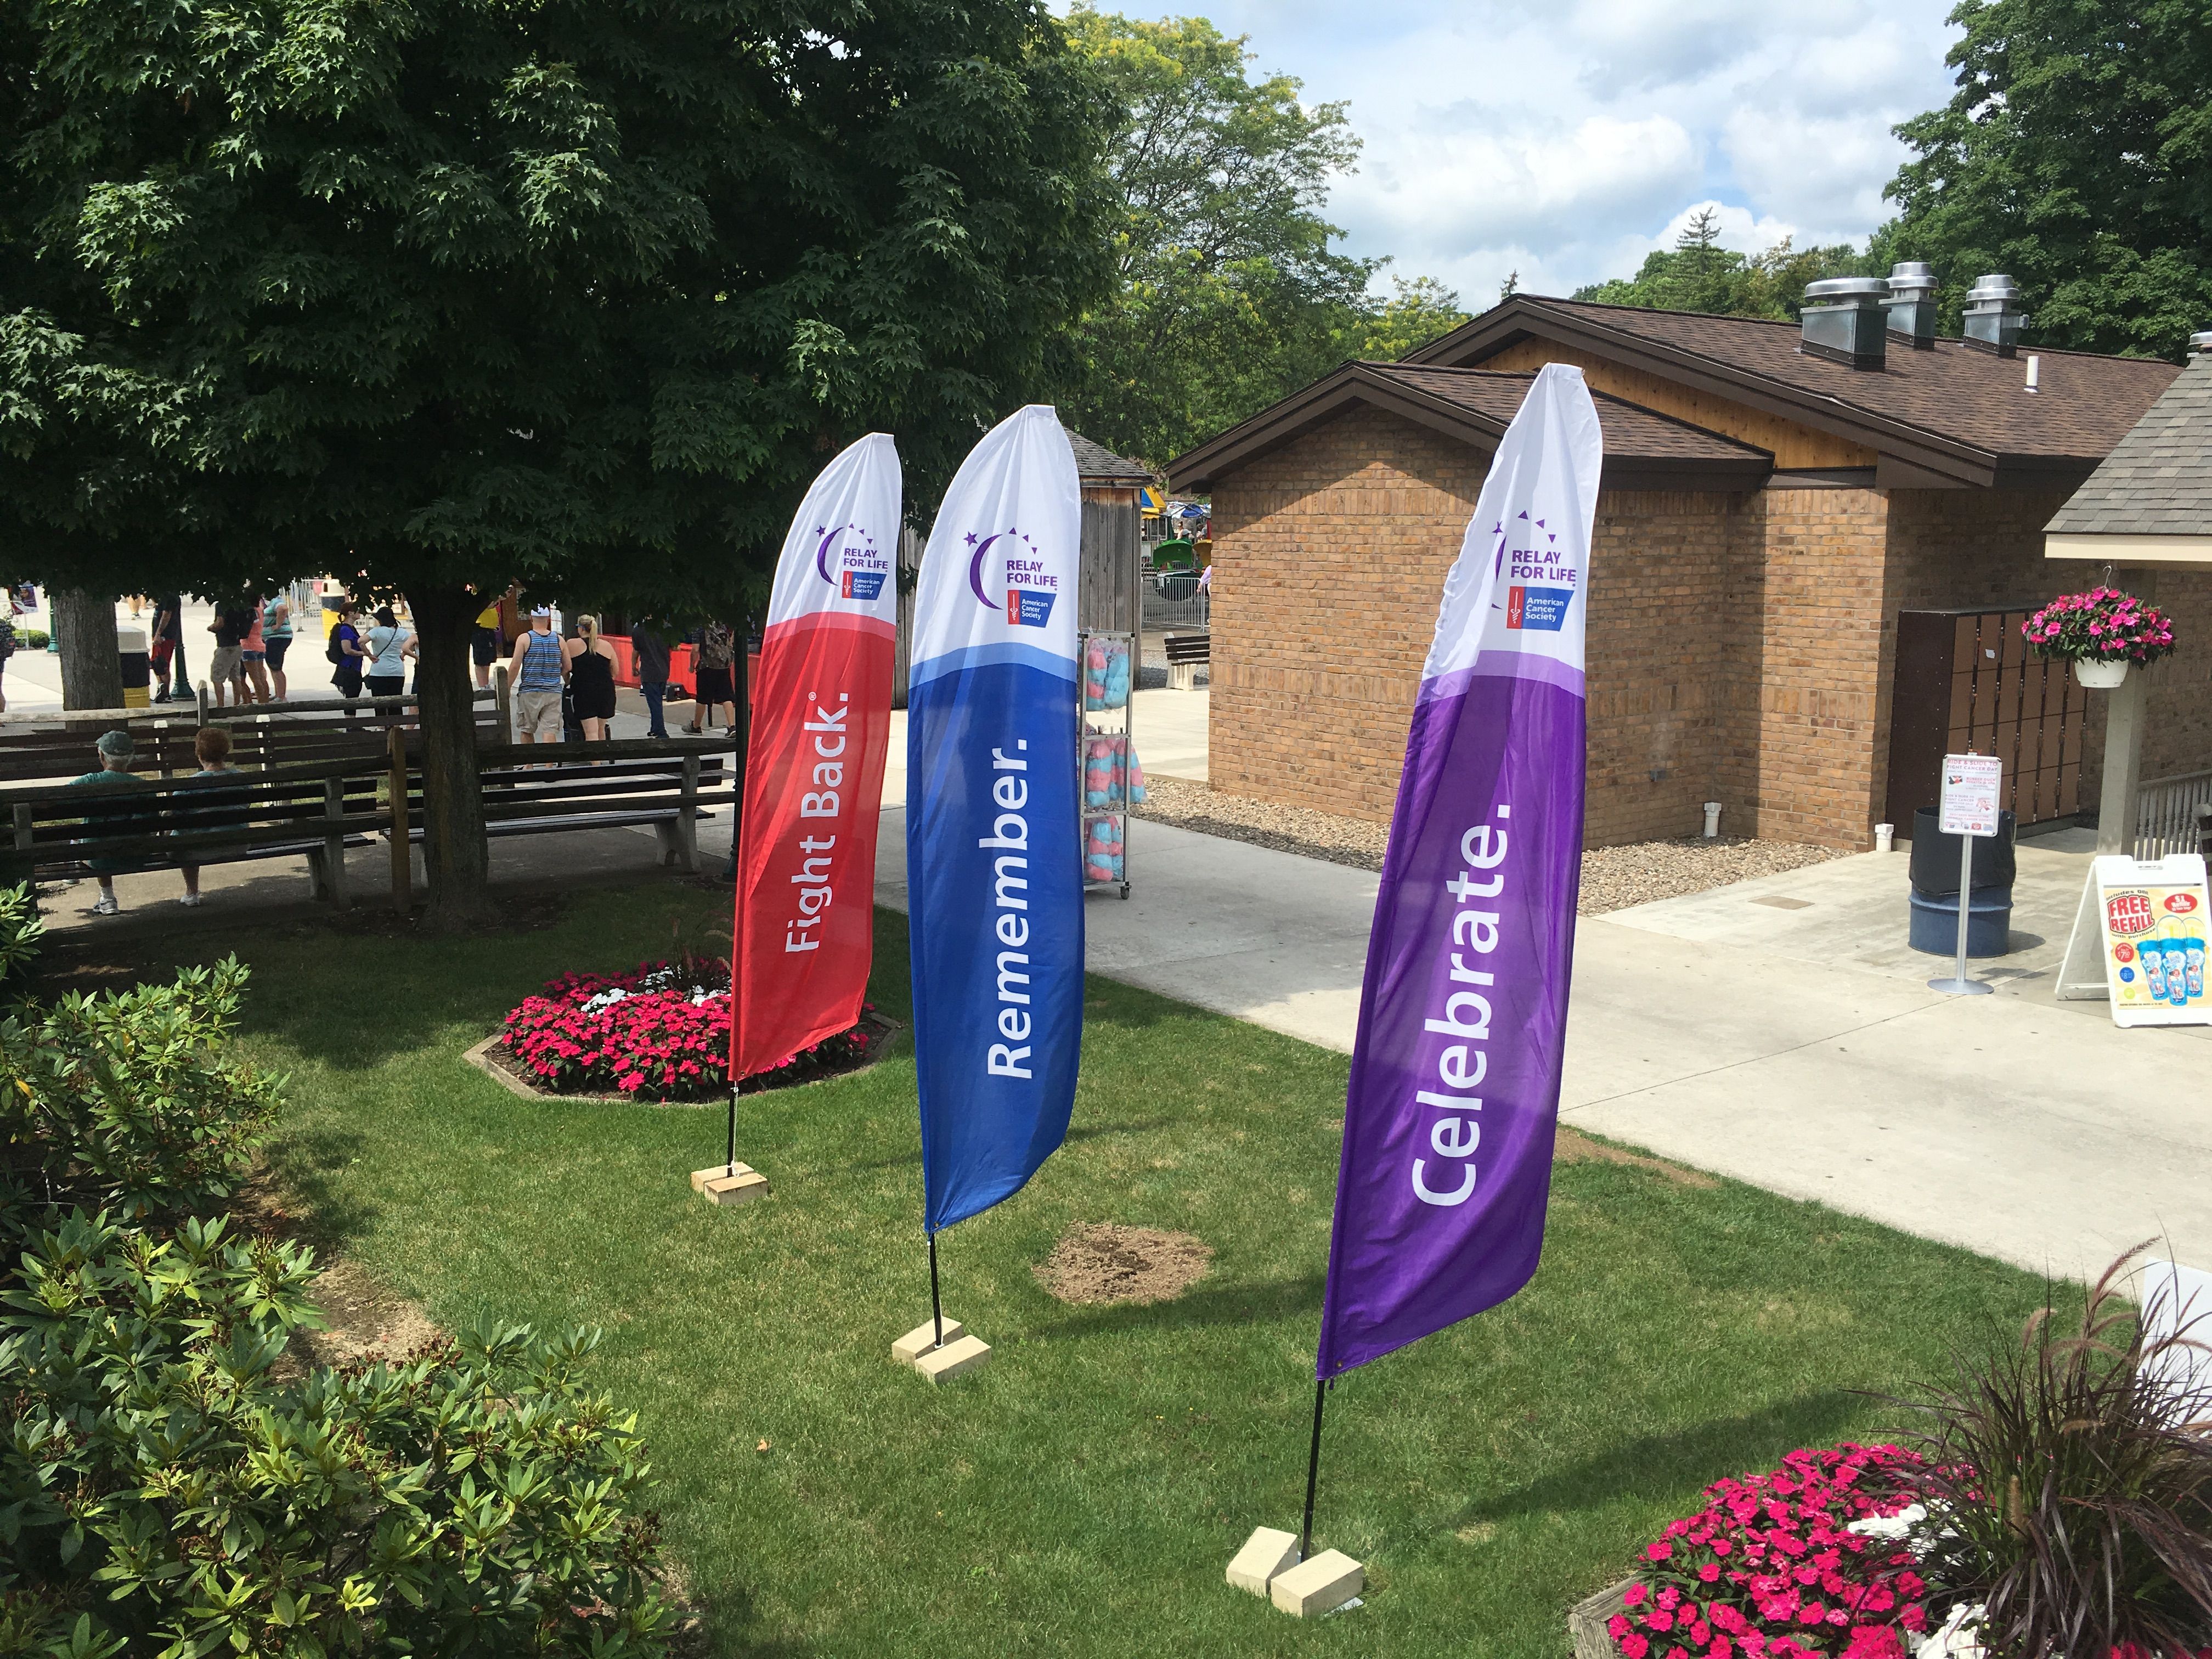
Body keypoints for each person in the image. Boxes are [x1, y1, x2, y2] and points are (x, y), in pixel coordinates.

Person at [67, 731, 150, 916]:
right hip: (138, 854)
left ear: (102, 756)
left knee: (86, 839)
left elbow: (56, 799)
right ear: (131, 758)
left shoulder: (89, 782)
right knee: (103, 840)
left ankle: (107, 898)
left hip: (100, 857)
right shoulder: (143, 786)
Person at [175, 726, 247, 909]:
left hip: (199, 849)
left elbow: (176, 815)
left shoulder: (188, 786)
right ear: (226, 752)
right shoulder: (243, 779)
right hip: (238, 843)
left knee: (182, 835)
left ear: (198, 754)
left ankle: (192, 892)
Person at [507, 606, 566, 743]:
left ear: (531, 618)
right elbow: (568, 666)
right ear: (549, 619)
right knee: (549, 730)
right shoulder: (559, 640)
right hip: (553, 691)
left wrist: (507, 687)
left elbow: (515, 665)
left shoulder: (524, 639)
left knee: (527, 729)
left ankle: (529, 764)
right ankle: (548, 764)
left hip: (530, 690)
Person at [563, 614, 619, 741]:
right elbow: (615, 671)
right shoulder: (606, 645)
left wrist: (568, 681)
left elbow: (566, 667)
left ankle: (595, 760)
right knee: (601, 729)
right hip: (606, 690)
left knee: (590, 732)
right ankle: (601, 757)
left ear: (581, 628)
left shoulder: (572, 644)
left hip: (584, 691)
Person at [687, 620, 736, 735]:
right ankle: (732, 726)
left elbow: (695, 650)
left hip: (707, 666)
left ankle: (696, 726)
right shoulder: (722, 624)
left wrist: (691, 666)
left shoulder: (699, 626)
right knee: (727, 696)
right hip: (723, 666)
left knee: (702, 698)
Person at [208, 601, 252, 708]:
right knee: (235, 677)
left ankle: (220, 706)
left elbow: (220, 623)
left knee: (217, 677)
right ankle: (236, 704)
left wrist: (211, 628)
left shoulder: (222, 605)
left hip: (225, 646)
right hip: (237, 644)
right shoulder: (240, 604)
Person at [632, 619, 672, 739]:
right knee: (658, 700)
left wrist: (633, 666)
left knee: (655, 703)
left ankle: (661, 731)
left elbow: (636, 651)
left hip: (649, 671)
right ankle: (655, 728)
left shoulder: (639, 629)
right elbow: (675, 646)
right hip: (664, 669)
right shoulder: (666, 627)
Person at [363, 605, 411, 701]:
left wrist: (369, 655)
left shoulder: (376, 631)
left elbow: (361, 641)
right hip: (397, 671)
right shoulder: (402, 632)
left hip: (379, 670)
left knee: (379, 704)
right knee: (396, 703)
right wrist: (404, 654)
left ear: (380, 620)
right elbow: (412, 644)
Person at [150, 594, 186, 702]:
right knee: (156, 662)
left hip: (165, 636)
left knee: (161, 663)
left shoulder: (169, 597)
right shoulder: (164, 596)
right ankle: (161, 689)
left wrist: (159, 633)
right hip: (162, 636)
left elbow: (166, 615)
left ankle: (165, 693)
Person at [329, 600, 367, 699]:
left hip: (354, 667)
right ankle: (350, 715)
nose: (360, 613)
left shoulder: (351, 628)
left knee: (353, 696)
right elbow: (347, 650)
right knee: (351, 698)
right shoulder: (346, 629)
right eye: (358, 611)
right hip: (349, 668)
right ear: (350, 613)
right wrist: (363, 653)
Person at [259, 591, 292, 699]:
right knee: (273, 666)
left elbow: (283, 609)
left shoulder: (276, 600)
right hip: (271, 637)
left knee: (275, 666)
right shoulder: (267, 601)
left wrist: (278, 625)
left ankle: (281, 696)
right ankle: (279, 694)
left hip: (278, 637)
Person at [237, 597, 269, 703]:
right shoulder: (260, 610)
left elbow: (245, 628)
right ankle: (265, 701)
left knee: (255, 679)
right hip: (259, 644)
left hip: (248, 645)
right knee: (261, 677)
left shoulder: (249, 612)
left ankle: (261, 703)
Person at [471, 592, 503, 691]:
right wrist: (499, 598)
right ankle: (482, 686)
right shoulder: (477, 594)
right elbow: (487, 605)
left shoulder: (489, 594)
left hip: (489, 629)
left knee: (487, 660)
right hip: (480, 628)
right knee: (481, 660)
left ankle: (486, 684)